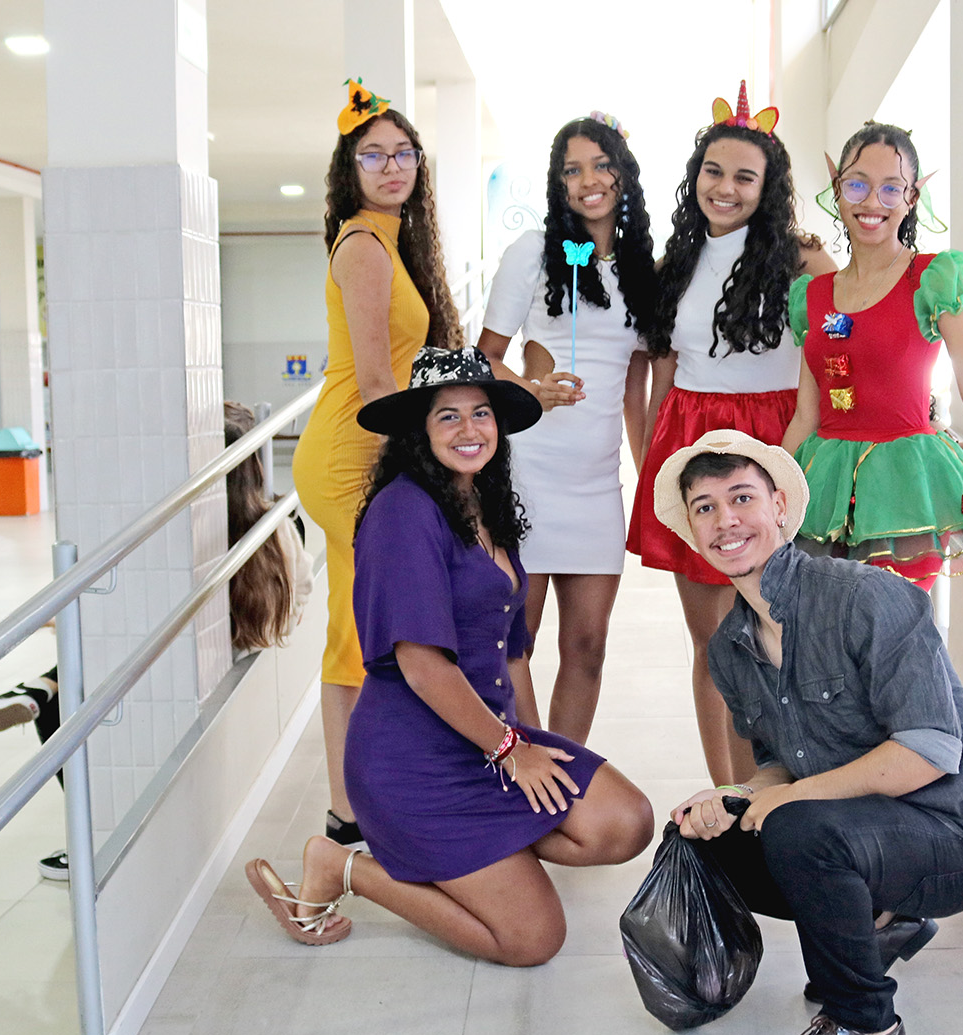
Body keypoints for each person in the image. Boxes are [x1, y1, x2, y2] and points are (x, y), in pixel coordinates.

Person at [245, 348, 654, 962]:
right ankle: (342, 867)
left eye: (481, 413)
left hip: (488, 743)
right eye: (449, 416)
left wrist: (532, 744)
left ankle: (485, 855)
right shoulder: (403, 512)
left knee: (627, 822)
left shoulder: (483, 501)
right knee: (533, 939)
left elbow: (513, 655)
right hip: (415, 765)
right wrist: (512, 753)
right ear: (420, 430)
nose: (470, 429)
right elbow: (422, 666)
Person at [652, 429, 963, 1035]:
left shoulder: (865, 596)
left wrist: (789, 799)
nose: (726, 520)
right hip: (860, 828)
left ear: (781, 507)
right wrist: (735, 796)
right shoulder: (730, 647)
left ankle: (865, 1027)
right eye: (705, 507)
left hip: (949, 833)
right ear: (693, 531)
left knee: (799, 828)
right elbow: (779, 767)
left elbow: (930, 752)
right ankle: (881, 923)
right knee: (708, 836)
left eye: (742, 498)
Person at [0, 401, 313, 880]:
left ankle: (91, 831)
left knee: (64, 709)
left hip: (190, 662)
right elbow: (300, 596)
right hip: (236, 647)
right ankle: (45, 688)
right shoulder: (280, 521)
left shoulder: (184, 531)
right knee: (88, 676)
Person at [627, 81, 835, 787]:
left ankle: (795, 788)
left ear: (768, 187)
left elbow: (849, 356)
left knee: (788, 632)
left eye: (745, 176)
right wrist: (653, 472)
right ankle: (732, 797)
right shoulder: (674, 266)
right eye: (713, 171)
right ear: (696, 177)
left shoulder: (805, 262)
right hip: (691, 444)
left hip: (779, 445)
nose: (726, 187)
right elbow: (660, 380)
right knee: (714, 641)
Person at [783, 122, 963, 588]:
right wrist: (772, 489)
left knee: (894, 622)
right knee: (822, 624)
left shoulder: (933, 276)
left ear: (912, 197)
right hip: (825, 487)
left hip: (906, 490)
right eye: (857, 185)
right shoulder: (810, 295)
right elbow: (805, 415)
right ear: (837, 189)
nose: (872, 202)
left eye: (890, 188)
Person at [293, 79, 461, 853]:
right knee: (362, 629)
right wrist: (427, 463)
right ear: (349, 168)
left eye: (404, 153)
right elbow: (376, 382)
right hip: (351, 454)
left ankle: (355, 807)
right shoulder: (362, 245)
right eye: (374, 155)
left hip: (371, 448)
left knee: (356, 626)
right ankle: (354, 807)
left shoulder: (392, 239)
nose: (392, 167)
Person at [476, 112, 656, 741]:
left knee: (588, 648)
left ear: (623, 173)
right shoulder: (532, 252)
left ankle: (567, 776)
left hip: (597, 487)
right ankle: (521, 769)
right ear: (558, 183)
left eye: (601, 166)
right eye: (572, 170)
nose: (589, 181)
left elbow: (635, 389)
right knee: (513, 645)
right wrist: (529, 390)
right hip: (526, 477)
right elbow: (485, 357)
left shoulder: (643, 270)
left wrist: (649, 475)